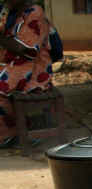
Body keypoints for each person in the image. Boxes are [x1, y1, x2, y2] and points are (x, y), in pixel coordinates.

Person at [0, 0, 54, 147]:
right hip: (11, 64)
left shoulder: (34, 12)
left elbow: (26, 50)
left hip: (33, 68)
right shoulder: (10, 12)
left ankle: (11, 134)